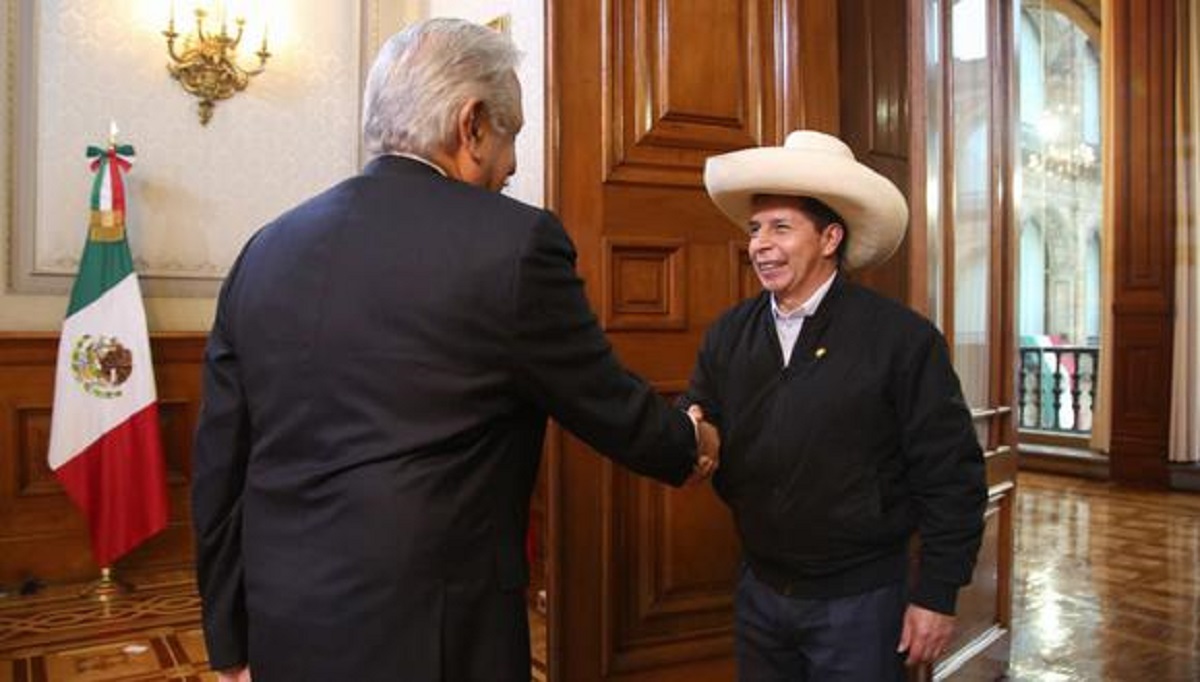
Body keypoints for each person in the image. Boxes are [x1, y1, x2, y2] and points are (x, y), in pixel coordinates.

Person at [191, 18, 718, 682]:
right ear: (470, 125)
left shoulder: (264, 249)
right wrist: (688, 442)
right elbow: (604, 401)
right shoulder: (514, 245)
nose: (515, 163)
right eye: (512, 134)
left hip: (283, 621)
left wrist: (229, 641)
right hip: (433, 639)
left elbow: (220, 464)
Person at [684, 130, 987, 680]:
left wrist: (937, 594)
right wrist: (690, 434)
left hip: (862, 603)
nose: (759, 244)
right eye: (755, 229)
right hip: (760, 591)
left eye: (780, 227)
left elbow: (952, 474)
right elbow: (701, 417)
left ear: (829, 238)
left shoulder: (903, 340)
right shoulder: (729, 333)